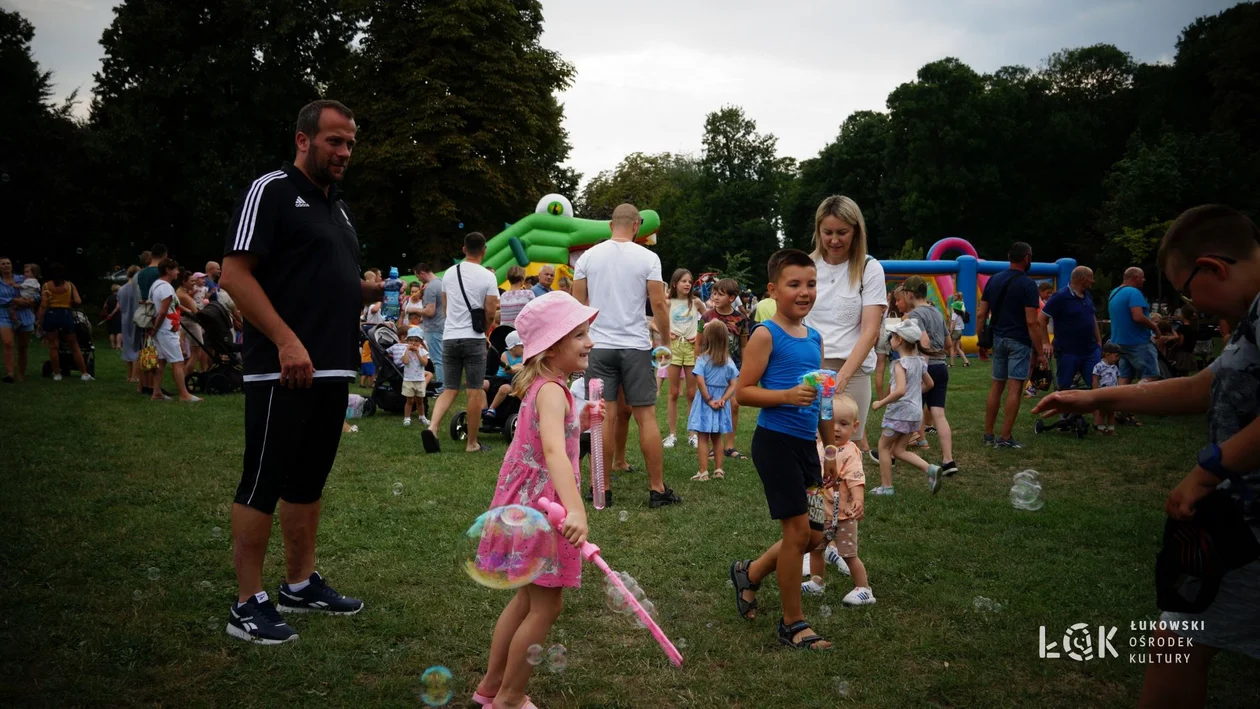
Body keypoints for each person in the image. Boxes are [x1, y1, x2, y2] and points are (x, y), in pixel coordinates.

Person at [1034, 205, 1260, 709]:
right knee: (1179, 639)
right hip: (1242, 522)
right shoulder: (1251, 319)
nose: (1193, 306)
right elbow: (1205, 386)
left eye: (1187, 290)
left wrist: (1207, 472)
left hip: (1246, 518)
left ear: (1214, 269)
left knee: (1177, 642)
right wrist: (1093, 398)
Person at [219, 99, 378, 645]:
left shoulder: (339, 206)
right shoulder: (271, 190)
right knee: (263, 481)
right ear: (304, 139)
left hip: (332, 367)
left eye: (350, 142)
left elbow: (319, 277)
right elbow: (236, 276)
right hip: (280, 369)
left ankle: (299, 583)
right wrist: (286, 340)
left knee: (308, 482)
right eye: (335, 140)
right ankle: (246, 602)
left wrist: (364, 291)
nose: (344, 151)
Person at [469, 292, 598, 709]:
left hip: (525, 506)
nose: (589, 342)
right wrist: (575, 509)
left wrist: (586, 419)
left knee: (525, 598)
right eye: (579, 334)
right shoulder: (553, 391)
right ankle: (510, 696)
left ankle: (489, 688)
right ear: (552, 345)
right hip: (545, 511)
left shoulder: (548, 387)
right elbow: (556, 453)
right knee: (546, 604)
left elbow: (557, 438)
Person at [728, 249, 838, 650]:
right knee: (795, 533)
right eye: (795, 284)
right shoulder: (764, 334)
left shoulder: (814, 338)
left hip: (806, 447)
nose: (805, 292)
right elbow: (744, 392)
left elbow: (823, 398)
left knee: (813, 536)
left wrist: (829, 447)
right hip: (774, 444)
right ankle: (792, 623)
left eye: (811, 284)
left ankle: (750, 573)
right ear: (774, 290)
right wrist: (787, 395)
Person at [573, 203, 680, 509]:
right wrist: (665, 341)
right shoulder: (648, 257)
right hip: (635, 345)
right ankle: (657, 489)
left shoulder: (588, 257)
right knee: (646, 416)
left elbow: (577, 303)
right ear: (636, 226)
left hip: (600, 345)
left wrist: (580, 341)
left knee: (602, 417)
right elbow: (658, 304)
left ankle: (601, 488)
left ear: (611, 225)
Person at [803, 195, 886, 461]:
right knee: (811, 446)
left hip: (853, 370)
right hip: (811, 367)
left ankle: (848, 501)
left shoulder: (869, 268)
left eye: (842, 232)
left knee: (844, 449)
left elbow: (870, 331)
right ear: (818, 231)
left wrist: (843, 378)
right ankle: (814, 502)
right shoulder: (807, 265)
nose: (834, 240)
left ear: (856, 231)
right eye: (827, 232)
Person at [424, 233, 500, 454]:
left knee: (450, 388)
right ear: (484, 250)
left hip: (450, 336)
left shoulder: (449, 273)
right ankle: (472, 443)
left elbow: (446, 308)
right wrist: (484, 331)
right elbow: (490, 312)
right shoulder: (488, 277)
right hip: (473, 338)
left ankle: (433, 427)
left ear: (463, 249)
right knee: (474, 391)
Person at [801, 394, 871, 605]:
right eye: (831, 423)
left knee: (849, 554)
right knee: (816, 549)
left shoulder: (850, 452)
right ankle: (817, 582)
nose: (837, 429)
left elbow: (856, 479)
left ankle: (864, 589)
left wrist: (857, 500)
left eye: (844, 424)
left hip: (843, 515)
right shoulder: (819, 446)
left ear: (855, 426)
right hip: (820, 513)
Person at [976, 242, 1046, 449]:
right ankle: (1005, 437)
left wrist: (981, 341)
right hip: (1019, 341)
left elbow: (981, 313)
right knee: (1015, 387)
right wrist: (1040, 352)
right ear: (1027, 258)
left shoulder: (994, 280)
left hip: (998, 338)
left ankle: (988, 434)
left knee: (997, 385)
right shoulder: (1028, 285)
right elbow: (1032, 321)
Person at [871, 320, 942, 495]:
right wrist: (915, 394)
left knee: (883, 447)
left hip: (899, 413)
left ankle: (886, 487)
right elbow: (930, 384)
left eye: (892, 336)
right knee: (899, 450)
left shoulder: (899, 364)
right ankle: (930, 469)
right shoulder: (919, 362)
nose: (890, 339)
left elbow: (900, 390)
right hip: (915, 414)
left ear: (900, 341)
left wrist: (881, 402)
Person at [903, 276, 957, 477]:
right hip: (941, 367)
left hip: (926, 369)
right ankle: (948, 459)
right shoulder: (936, 311)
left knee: (909, 410)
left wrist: (922, 367)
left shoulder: (914, 314)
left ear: (909, 294)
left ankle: (890, 452)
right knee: (938, 415)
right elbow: (948, 344)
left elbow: (923, 341)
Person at [702, 278, 751, 460]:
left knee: (733, 405)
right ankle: (714, 445)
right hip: (711, 368)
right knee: (713, 405)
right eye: (714, 293)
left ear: (732, 298)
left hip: (734, 367)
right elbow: (700, 342)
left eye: (720, 294)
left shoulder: (741, 319)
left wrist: (745, 368)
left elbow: (744, 345)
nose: (715, 297)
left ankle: (729, 446)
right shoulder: (707, 316)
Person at [688, 320, 740, 482]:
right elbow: (733, 384)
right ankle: (719, 470)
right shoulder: (729, 362)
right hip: (721, 403)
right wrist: (724, 399)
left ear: (707, 338)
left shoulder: (703, 360)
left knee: (703, 437)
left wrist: (709, 399)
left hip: (706, 402)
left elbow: (701, 381)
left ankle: (703, 471)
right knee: (717, 438)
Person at [1039, 266, 1101, 393]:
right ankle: (1068, 412)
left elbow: (1091, 316)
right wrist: (1045, 342)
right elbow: (1041, 318)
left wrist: (1099, 340)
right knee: (1065, 386)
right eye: (1091, 278)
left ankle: (1098, 412)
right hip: (1068, 351)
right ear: (1082, 279)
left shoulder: (1087, 295)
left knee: (1096, 385)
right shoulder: (1060, 296)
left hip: (1090, 349)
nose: (1093, 281)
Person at [145, 259, 198, 401]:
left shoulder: (155, 285)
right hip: (167, 329)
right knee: (178, 362)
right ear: (168, 270)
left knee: (161, 361)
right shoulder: (166, 288)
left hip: (160, 330)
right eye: (175, 269)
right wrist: (156, 328)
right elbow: (163, 312)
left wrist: (154, 329)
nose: (178, 272)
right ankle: (184, 394)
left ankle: (156, 393)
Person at [664, 268, 704, 449]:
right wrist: (666, 332)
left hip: (692, 349)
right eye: (684, 281)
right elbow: (654, 322)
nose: (688, 284)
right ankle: (672, 435)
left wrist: (700, 335)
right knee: (673, 393)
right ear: (675, 284)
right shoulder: (666, 302)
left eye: (690, 281)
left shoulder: (696, 302)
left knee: (692, 394)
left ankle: (693, 434)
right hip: (673, 349)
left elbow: (710, 319)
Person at [35, 262, 92, 382]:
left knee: (54, 346)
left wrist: (39, 321)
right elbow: (78, 300)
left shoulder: (46, 286)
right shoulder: (69, 285)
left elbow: (43, 304)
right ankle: (84, 373)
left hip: (51, 314)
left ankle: (57, 373)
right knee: (74, 346)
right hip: (66, 314)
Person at [1108, 267, 1162, 385]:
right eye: (1142, 278)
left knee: (1125, 376)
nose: (1144, 280)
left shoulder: (1114, 293)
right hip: (1137, 342)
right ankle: (1141, 401)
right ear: (1135, 278)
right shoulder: (1134, 293)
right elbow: (1138, 317)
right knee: (1151, 375)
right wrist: (1155, 327)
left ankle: (1119, 401)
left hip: (1119, 342)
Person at [0, 256, 38, 383]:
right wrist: (14, 300)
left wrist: (33, 300)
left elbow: (36, 292)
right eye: (3, 264)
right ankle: (10, 374)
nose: (6, 265)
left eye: (8, 263)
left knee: (22, 346)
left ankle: (21, 374)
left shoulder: (22, 278)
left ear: (11, 265)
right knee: (7, 342)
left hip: (24, 314)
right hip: (5, 314)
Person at [414, 263, 445, 395]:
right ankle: (445, 386)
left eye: (418, 276)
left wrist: (413, 309)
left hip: (433, 327)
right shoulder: (441, 282)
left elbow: (430, 311)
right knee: (443, 357)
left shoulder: (431, 287)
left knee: (437, 359)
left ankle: (441, 388)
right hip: (443, 324)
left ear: (422, 273)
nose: (419, 280)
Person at [486, 330, 525, 417]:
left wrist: (515, 368)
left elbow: (521, 366)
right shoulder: (505, 355)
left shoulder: (523, 357)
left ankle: (491, 408)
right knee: (480, 385)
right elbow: (507, 369)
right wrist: (511, 367)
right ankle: (483, 408)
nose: (524, 348)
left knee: (505, 388)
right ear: (513, 347)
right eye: (522, 346)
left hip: (511, 381)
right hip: (498, 378)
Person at [400, 326, 430, 427]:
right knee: (409, 400)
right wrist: (408, 350)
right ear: (407, 341)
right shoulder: (405, 350)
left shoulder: (423, 351)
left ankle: (422, 416)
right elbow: (405, 361)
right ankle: (407, 418)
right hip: (409, 380)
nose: (413, 342)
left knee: (420, 400)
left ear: (420, 342)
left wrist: (417, 353)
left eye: (416, 340)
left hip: (420, 380)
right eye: (411, 340)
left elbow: (424, 363)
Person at [1090, 343, 1122, 434]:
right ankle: (1101, 429)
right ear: (1107, 354)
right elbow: (1095, 379)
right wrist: (1095, 391)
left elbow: (1118, 378)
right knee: (1101, 413)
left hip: (1113, 393)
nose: (1118, 358)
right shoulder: (1099, 366)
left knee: (1111, 413)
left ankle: (1111, 429)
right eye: (1116, 356)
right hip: (1102, 393)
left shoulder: (1115, 367)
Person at [118, 265, 141, 383]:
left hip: (125, 319)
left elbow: (121, 307)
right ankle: (135, 376)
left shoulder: (121, 289)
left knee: (127, 347)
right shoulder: (137, 288)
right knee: (137, 347)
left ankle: (129, 375)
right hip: (137, 319)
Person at [948, 300, 969, 367]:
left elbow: (953, 325)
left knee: (952, 347)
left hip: (955, 331)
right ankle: (966, 361)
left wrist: (950, 333)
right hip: (960, 331)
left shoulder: (954, 315)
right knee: (957, 347)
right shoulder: (960, 315)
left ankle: (951, 364)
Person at [102, 284, 122, 349]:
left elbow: (104, 306)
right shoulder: (118, 297)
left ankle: (113, 345)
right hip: (117, 316)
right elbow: (118, 307)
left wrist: (108, 314)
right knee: (119, 331)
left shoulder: (109, 297)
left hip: (109, 317)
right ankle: (118, 345)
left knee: (112, 332)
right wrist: (112, 314)